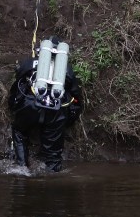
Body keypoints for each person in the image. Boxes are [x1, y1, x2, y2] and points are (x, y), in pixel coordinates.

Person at [9, 39, 84, 172]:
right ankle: (52, 178)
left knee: (19, 131)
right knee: (53, 157)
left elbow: (17, 84)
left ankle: (21, 167)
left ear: (42, 51)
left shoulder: (30, 63)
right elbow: (77, 97)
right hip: (56, 112)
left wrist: (13, 108)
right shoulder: (66, 69)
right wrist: (67, 122)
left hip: (29, 106)